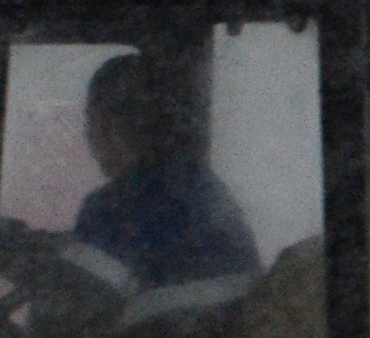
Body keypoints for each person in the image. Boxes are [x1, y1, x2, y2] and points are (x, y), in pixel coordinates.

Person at [69, 52, 260, 288]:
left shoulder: (113, 209)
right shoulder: (207, 195)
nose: (89, 137)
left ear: (107, 124)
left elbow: (73, 306)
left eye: (90, 121)